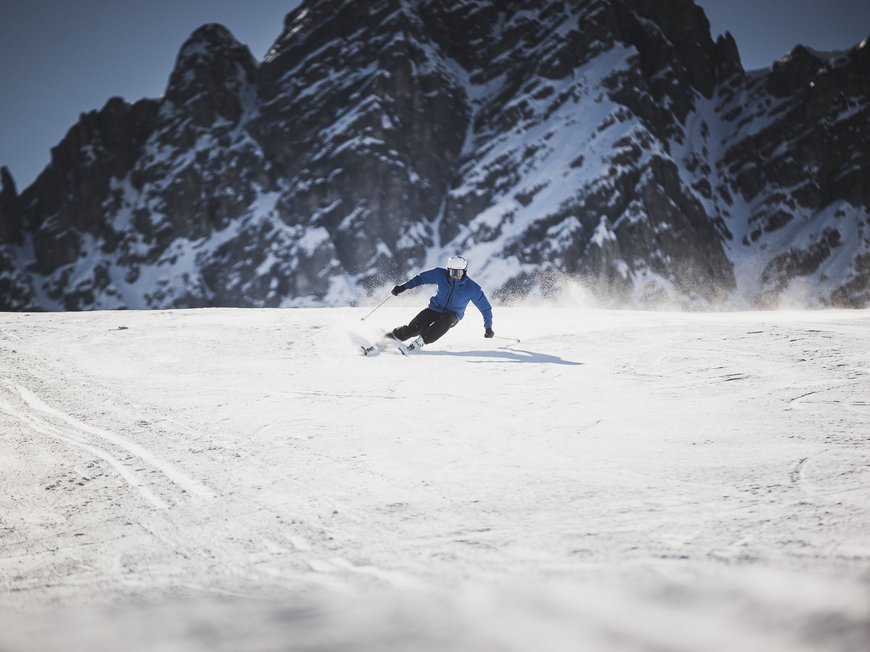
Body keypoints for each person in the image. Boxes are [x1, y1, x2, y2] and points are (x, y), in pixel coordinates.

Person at [389, 255, 494, 350]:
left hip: (452, 316)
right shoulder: (440, 274)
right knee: (414, 328)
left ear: (464, 271)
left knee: (447, 318)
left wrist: (488, 327)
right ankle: (391, 337)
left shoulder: (471, 288)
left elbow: (485, 308)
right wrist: (402, 287)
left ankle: (421, 341)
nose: (455, 276)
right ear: (448, 271)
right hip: (435, 308)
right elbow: (420, 279)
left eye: (459, 272)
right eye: (452, 272)